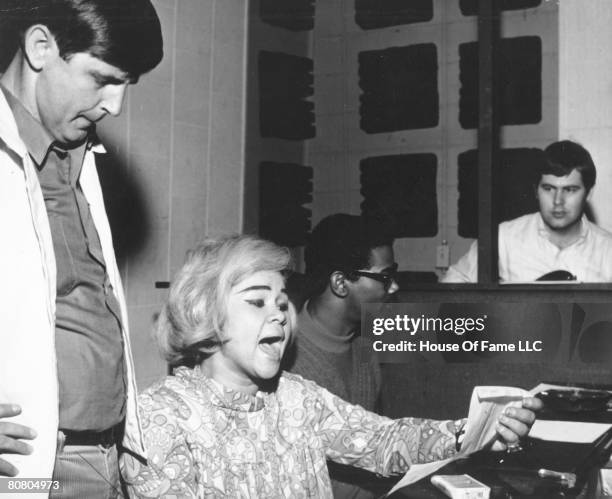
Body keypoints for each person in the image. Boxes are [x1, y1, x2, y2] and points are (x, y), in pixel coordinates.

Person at [121, 234, 541, 498]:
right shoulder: (160, 417)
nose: (280, 314)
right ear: (202, 313)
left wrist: (476, 430)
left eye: (283, 302)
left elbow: (383, 441)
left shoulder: (296, 396)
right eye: (256, 301)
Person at [0, 0, 163, 496]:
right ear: (40, 47)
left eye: (125, 85)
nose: (115, 105)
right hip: (33, 467)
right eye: (103, 79)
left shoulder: (77, 153)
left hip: (102, 456)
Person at [287, 213, 397, 497]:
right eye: (385, 277)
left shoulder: (365, 349)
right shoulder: (287, 361)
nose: (394, 287)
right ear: (340, 283)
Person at [443, 140, 612, 283]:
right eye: (548, 188)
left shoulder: (607, 250)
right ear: (536, 191)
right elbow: (453, 283)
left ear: (588, 193)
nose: (557, 201)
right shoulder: (502, 238)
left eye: (570, 190)